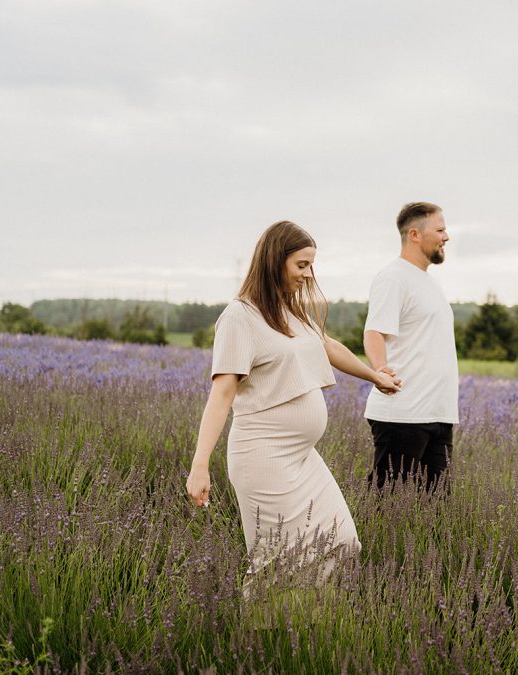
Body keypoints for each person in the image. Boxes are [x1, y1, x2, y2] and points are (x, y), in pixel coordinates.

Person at [186, 221, 400, 587]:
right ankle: (267, 639)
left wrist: (374, 376)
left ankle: (307, 627)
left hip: (302, 456)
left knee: (341, 539)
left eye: (310, 265)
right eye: (301, 265)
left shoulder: (290, 311)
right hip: (263, 456)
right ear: (275, 261)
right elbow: (221, 395)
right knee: (279, 562)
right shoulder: (240, 317)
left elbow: (327, 345)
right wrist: (200, 465)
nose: (307, 274)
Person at [363, 202, 458, 492]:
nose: (447, 236)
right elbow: (374, 332)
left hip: (438, 414)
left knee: (436, 513)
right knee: (387, 506)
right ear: (415, 234)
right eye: (440, 229)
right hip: (404, 413)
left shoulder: (429, 283)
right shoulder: (394, 277)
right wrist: (380, 370)